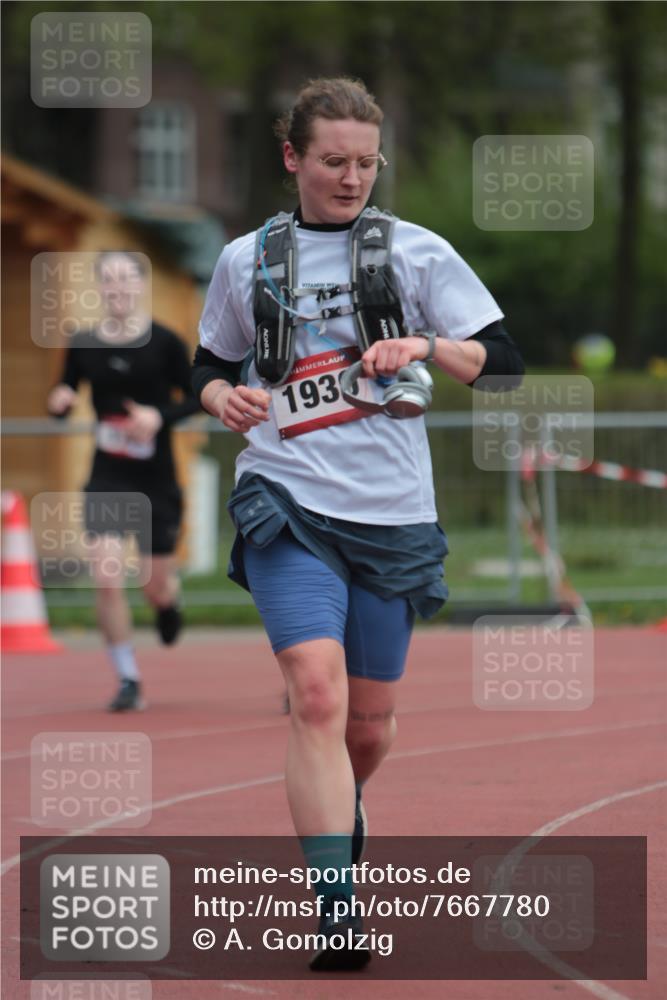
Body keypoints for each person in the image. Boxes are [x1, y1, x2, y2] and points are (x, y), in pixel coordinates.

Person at [193, 77, 524, 971]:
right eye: (333, 162)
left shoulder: (417, 254)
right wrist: (224, 396)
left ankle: (345, 805)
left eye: (366, 163)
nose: (351, 179)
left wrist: (422, 346)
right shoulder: (244, 260)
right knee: (316, 694)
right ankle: (335, 912)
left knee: (366, 726)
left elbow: (504, 365)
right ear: (293, 157)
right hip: (284, 496)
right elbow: (207, 365)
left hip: (390, 515)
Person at [47, 251, 199, 711]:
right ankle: (128, 678)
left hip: (156, 478)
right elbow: (64, 393)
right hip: (108, 475)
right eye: (108, 280)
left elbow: (199, 397)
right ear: (100, 288)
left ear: (139, 286)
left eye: (125, 279)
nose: (117, 288)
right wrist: (59, 401)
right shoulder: (84, 342)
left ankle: (167, 604)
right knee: (108, 576)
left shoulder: (166, 342)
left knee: (153, 584)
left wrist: (158, 416)